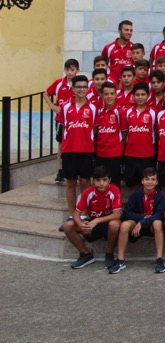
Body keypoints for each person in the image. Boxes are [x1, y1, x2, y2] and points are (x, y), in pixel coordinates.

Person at [62, 164, 122, 269]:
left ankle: (109, 254)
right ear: (93, 181)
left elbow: (117, 214)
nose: (101, 183)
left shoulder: (114, 190)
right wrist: (81, 225)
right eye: (98, 180)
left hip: (106, 223)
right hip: (92, 225)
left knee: (115, 224)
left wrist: (98, 220)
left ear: (109, 180)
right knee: (68, 226)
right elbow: (76, 213)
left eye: (104, 180)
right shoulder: (88, 192)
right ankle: (85, 254)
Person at [110, 166, 165, 274]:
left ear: (157, 182)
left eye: (153, 179)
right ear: (142, 181)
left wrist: (143, 222)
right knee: (125, 225)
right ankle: (120, 260)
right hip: (136, 222)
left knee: (158, 223)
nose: (150, 182)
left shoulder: (159, 195)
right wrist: (140, 219)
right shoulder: (136, 194)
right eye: (147, 179)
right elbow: (126, 212)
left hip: (151, 224)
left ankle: (159, 259)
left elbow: (160, 214)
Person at [60, 75, 97, 218]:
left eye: (84, 87)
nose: (81, 89)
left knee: (85, 182)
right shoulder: (65, 107)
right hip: (69, 151)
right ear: (73, 88)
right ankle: (71, 214)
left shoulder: (93, 108)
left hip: (86, 150)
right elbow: (64, 129)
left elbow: (94, 129)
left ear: (88, 89)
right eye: (78, 87)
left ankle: (83, 213)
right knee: (70, 183)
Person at [44, 58, 79, 184]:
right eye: (67, 70)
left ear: (77, 70)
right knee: (61, 144)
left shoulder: (79, 84)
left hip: (75, 120)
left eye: (72, 69)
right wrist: (53, 106)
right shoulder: (59, 83)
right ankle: (60, 171)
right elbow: (45, 94)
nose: (69, 72)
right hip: (61, 119)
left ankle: (75, 169)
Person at [102, 20, 134, 85]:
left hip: (127, 84)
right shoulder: (108, 48)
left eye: (131, 30)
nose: (129, 32)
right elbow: (102, 66)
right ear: (119, 31)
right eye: (126, 30)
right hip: (111, 84)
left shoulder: (134, 48)